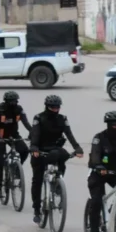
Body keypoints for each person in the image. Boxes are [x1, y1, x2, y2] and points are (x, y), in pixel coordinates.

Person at [29, 94, 83, 224]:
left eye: (57, 107)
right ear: (47, 107)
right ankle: (37, 209)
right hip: (40, 150)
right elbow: (35, 134)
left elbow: (69, 134)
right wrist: (34, 147)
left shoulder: (62, 119)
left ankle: (57, 182)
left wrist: (77, 148)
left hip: (55, 149)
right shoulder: (39, 118)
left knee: (62, 155)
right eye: (53, 107)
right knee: (37, 179)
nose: (55, 109)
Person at [0, 90, 32, 199]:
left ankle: (16, 170)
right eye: (11, 101)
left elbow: (26, 123)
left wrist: (33, 133)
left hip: (13, 135)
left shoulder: (19, 109)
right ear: (6, 101)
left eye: (15, 101)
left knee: (24, 150)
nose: (14, 103)